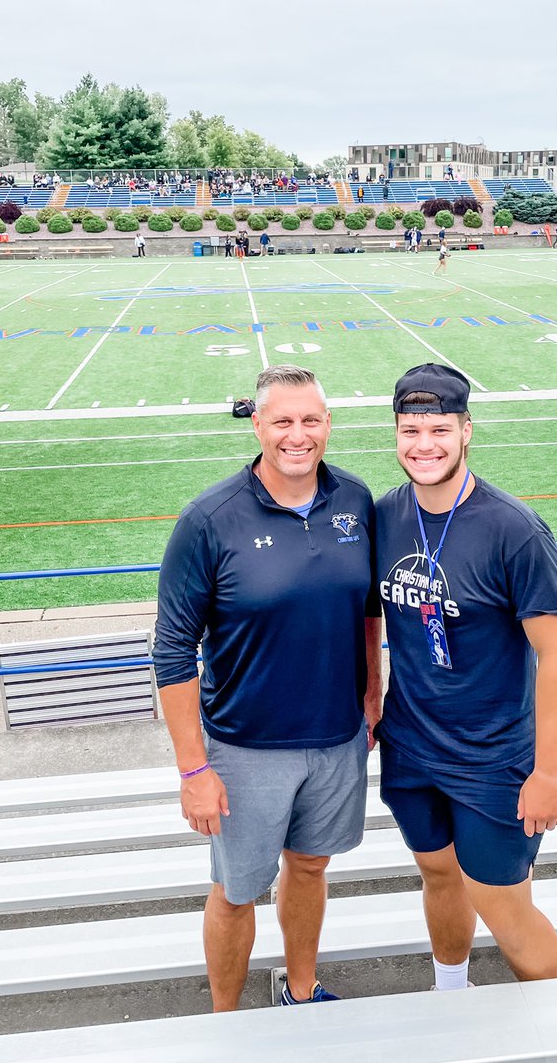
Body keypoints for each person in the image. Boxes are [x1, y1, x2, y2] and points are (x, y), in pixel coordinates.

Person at [152, 365, 382, 1013]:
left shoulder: (355, 502)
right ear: (257, 424)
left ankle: (301, 990)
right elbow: (172, 649)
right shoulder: (210, 519)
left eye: (311, 419)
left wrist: (372, 692)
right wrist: (193, 767)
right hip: (245, 747)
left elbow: (369, 608)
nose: (298, 434)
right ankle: (228, 1021)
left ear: (328, 424)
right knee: (237, 890)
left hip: (337, 739)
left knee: (311, 868)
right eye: (283, 420)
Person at [375, 363, 557, 992]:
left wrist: (548, 774)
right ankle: (451, 992)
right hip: (411, 745)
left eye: (439, 428)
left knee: (503, 906)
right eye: (411, 430)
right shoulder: (385, 516)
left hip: (491, 757)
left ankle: (556, 1037)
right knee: (437, 875)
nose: (424, 444)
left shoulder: (513, 530)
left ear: (467, 431)